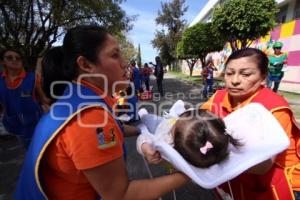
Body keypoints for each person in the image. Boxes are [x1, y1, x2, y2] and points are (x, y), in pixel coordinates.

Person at [14, 25, 189, 200]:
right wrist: (189, 173)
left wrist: (147, 130)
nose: (124, 63)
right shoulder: (91, 118)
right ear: (85, 64)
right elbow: (121, 194)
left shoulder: (76, 100)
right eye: (114, 55)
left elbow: (117, 129)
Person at [200, 48, 300, 200]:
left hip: (278, 182)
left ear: (263, 77)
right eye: (229, 73)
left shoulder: (275, 108)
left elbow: (262, 166)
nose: (234, 80)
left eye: (245, 74)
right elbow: (197, 123)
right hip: (239, 178)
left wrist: (204, 153)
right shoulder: (219, 96)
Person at [137, 108, 241, 168]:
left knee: (149, 119)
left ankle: (142, 115)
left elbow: (144, 137)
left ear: (174, 141)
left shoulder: (164, 142)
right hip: (170, 120)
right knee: (176, 114)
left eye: (175, 126)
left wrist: (144, 147)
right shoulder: (215, 142)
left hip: (159, 126)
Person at [0, 49, 43, 147]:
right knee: (27, 150)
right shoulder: (0, 81)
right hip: (15, 126)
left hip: (36, 126)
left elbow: (44, 99)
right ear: (3, 62)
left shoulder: (33, 78)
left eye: (18, 58)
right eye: (9, 58)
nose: (14, 60)